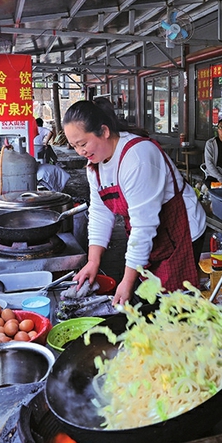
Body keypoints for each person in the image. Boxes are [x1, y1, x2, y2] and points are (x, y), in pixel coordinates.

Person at [64, 98, 207, 305]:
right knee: (152, 295)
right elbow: (100, 212)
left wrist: (127, 281)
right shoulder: (94, 166)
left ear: (104, 131)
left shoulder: (138, 156)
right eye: (74, 146)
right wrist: (93, 261)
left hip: (181, 231)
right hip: (151, 235)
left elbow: (143, 226)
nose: (80, 152)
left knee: (174, 303)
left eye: (83, 143)